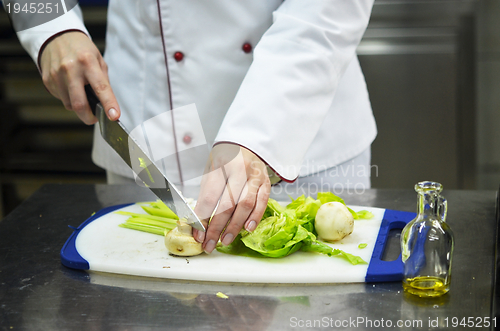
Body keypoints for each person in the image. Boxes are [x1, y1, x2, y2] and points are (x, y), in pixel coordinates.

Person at [12, 0, 377, 254]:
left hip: (296, 134)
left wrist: (255, 135)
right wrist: (51, 25)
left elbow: (331, 8)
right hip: (146, 136)